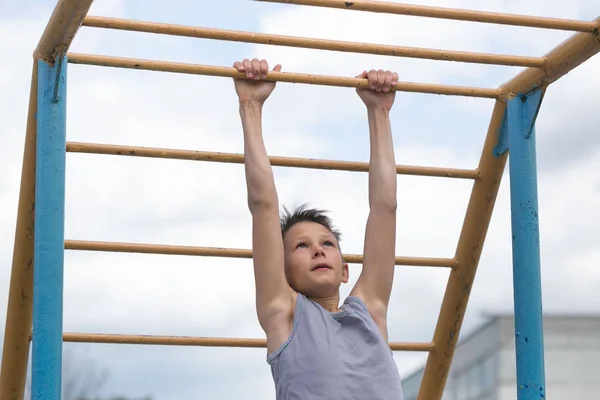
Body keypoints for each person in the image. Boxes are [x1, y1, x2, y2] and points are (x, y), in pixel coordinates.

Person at [233, 58, 403, 400]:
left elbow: (385, 207)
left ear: (345, 270)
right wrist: (250, 106)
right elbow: (263, 205)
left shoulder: (369, 312)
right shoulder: (284, 311)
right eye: (301, 246)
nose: (318, 249)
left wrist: (379, 112)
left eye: (327, 243)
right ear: (280, 269)